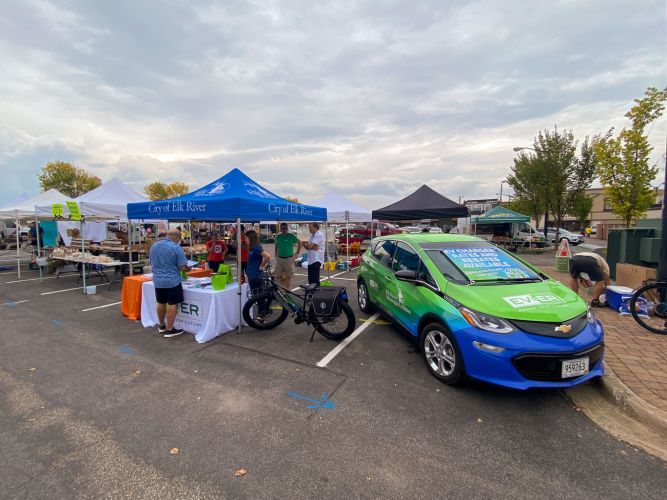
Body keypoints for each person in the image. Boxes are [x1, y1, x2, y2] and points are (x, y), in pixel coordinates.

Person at [149, 229, 191, 338]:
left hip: (158, 279)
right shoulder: (176, 247)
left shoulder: (154, 246)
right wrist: (188, 268)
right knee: (172, 303)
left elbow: (151, 262)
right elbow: (182, 267)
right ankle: (169, 329)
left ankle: (161, 326)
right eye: (180, 239)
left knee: (160, 302)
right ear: (177, 238)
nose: (179, 241)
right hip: (172, 280)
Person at [245, 230, 271, 320]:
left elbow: (267, 256)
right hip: (252, 275)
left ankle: (261, 314)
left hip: (256, 276)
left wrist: (262, 265)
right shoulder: (253, 248)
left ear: (251, 238)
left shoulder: (256, 247)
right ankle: (261, 313)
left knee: (258, 295)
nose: (245, 239)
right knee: (256, 295)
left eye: (246, 238)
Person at [274, 223, 301, 289]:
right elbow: (276, 244)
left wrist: (297, 253)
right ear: (280, 229)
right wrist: (275, 254)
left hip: (289, 259)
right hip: (280, 258)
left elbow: (300, 242)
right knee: (277, 275)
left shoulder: (291, 236)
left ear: (287, 229)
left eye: (285, 228)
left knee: (289, 276)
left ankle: (287, 290)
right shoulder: (278, 237)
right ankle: (280, 289)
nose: (283, 230)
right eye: (282, 228)